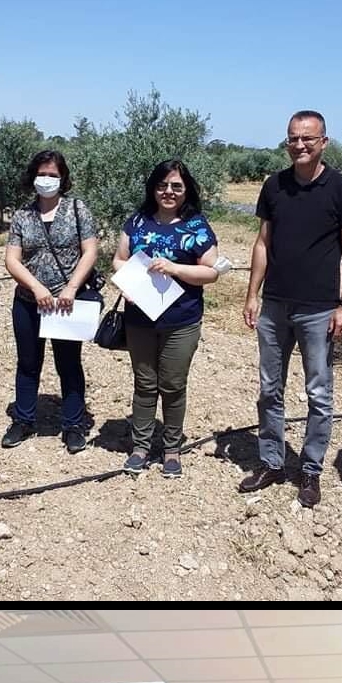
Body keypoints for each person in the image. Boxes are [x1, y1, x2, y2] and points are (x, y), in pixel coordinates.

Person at [240, 110, 342, 508]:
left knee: (319, 393)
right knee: (269, 389)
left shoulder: (341, 189)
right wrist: (252, 293)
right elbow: (262, 243)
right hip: (275, 304)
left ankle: (310, 470)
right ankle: (271, 461)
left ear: (323, 141)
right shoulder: (274, 186)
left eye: (308, 139)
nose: (300, 145)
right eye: (293, 138)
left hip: (318, 309)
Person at [112, 160, 224, 477]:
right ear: (153, 188)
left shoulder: (197, 226)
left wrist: (175, 269)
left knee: (173, 384)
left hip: (182, 320)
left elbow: (211, 272)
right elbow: (119, 260)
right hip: (140, 317)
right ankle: (140, 447)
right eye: (162, 185)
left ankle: (172, 449)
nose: (168, 192)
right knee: (144, 384)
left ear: (186, 189)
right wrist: (129, 281)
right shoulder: (137, 221)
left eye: (176, 186)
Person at [2, 150, 101, 453]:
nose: (47, 180)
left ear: (63, 178)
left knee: (69, 363)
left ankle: (72, 424)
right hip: (29, 301)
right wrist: (36, 288)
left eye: (53, 175)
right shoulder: (22, 215)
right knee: (28, 363)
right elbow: (12, 259)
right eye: (42, 174)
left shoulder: (76, 209)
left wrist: (71, 288)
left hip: (66, 303)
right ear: (33, 177)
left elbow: (91, 251)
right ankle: (23, 419)